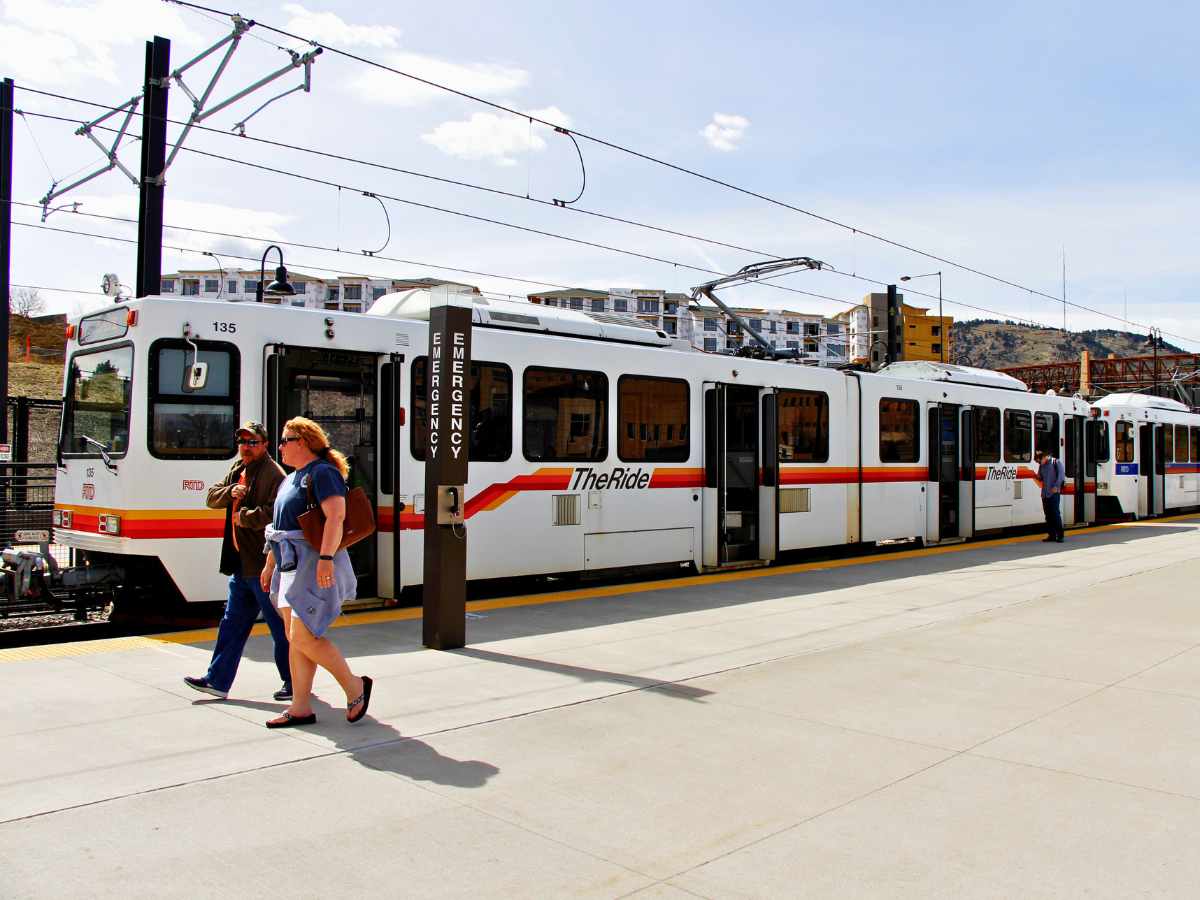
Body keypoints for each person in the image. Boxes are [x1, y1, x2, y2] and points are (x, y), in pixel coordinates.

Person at [261, 417, 372, 728]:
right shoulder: (291, 478)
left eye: (285, 440)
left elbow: (336, 517)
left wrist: (325, 558)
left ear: (305, 442)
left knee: (304, 636)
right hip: (288, 564)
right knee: (294, 638)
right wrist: (270, 563)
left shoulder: (323, 474)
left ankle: (354, 686)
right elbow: (278, 528)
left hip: (312, 563)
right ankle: (300, 707)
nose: (280, 446)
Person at [185, 421, 291, 700]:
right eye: (242, 442)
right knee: (232, 624)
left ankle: (294, 681)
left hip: (262, 564)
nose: (246, 447)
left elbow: (277, 515)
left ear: (265, 445)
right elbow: (211, 498)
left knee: (280, 626)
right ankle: (217, 680)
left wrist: (245, 517)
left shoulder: (274, 474)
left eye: (252, 442)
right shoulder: (237, 469)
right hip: (241, 565)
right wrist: (229, 492)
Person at [1035, 447, 1066, 543]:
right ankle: (1051, 535)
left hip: (1054, 493)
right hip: (1044, 494)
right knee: (1047, 515)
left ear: (1047, 456)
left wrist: (1056, 486)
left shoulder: (1056, 463)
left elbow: (1061, 476)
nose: (1040, 461)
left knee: (1055, 514)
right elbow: (1040, 477)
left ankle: (1060, 535)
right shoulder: (1042, 466)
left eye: (1041, 459)